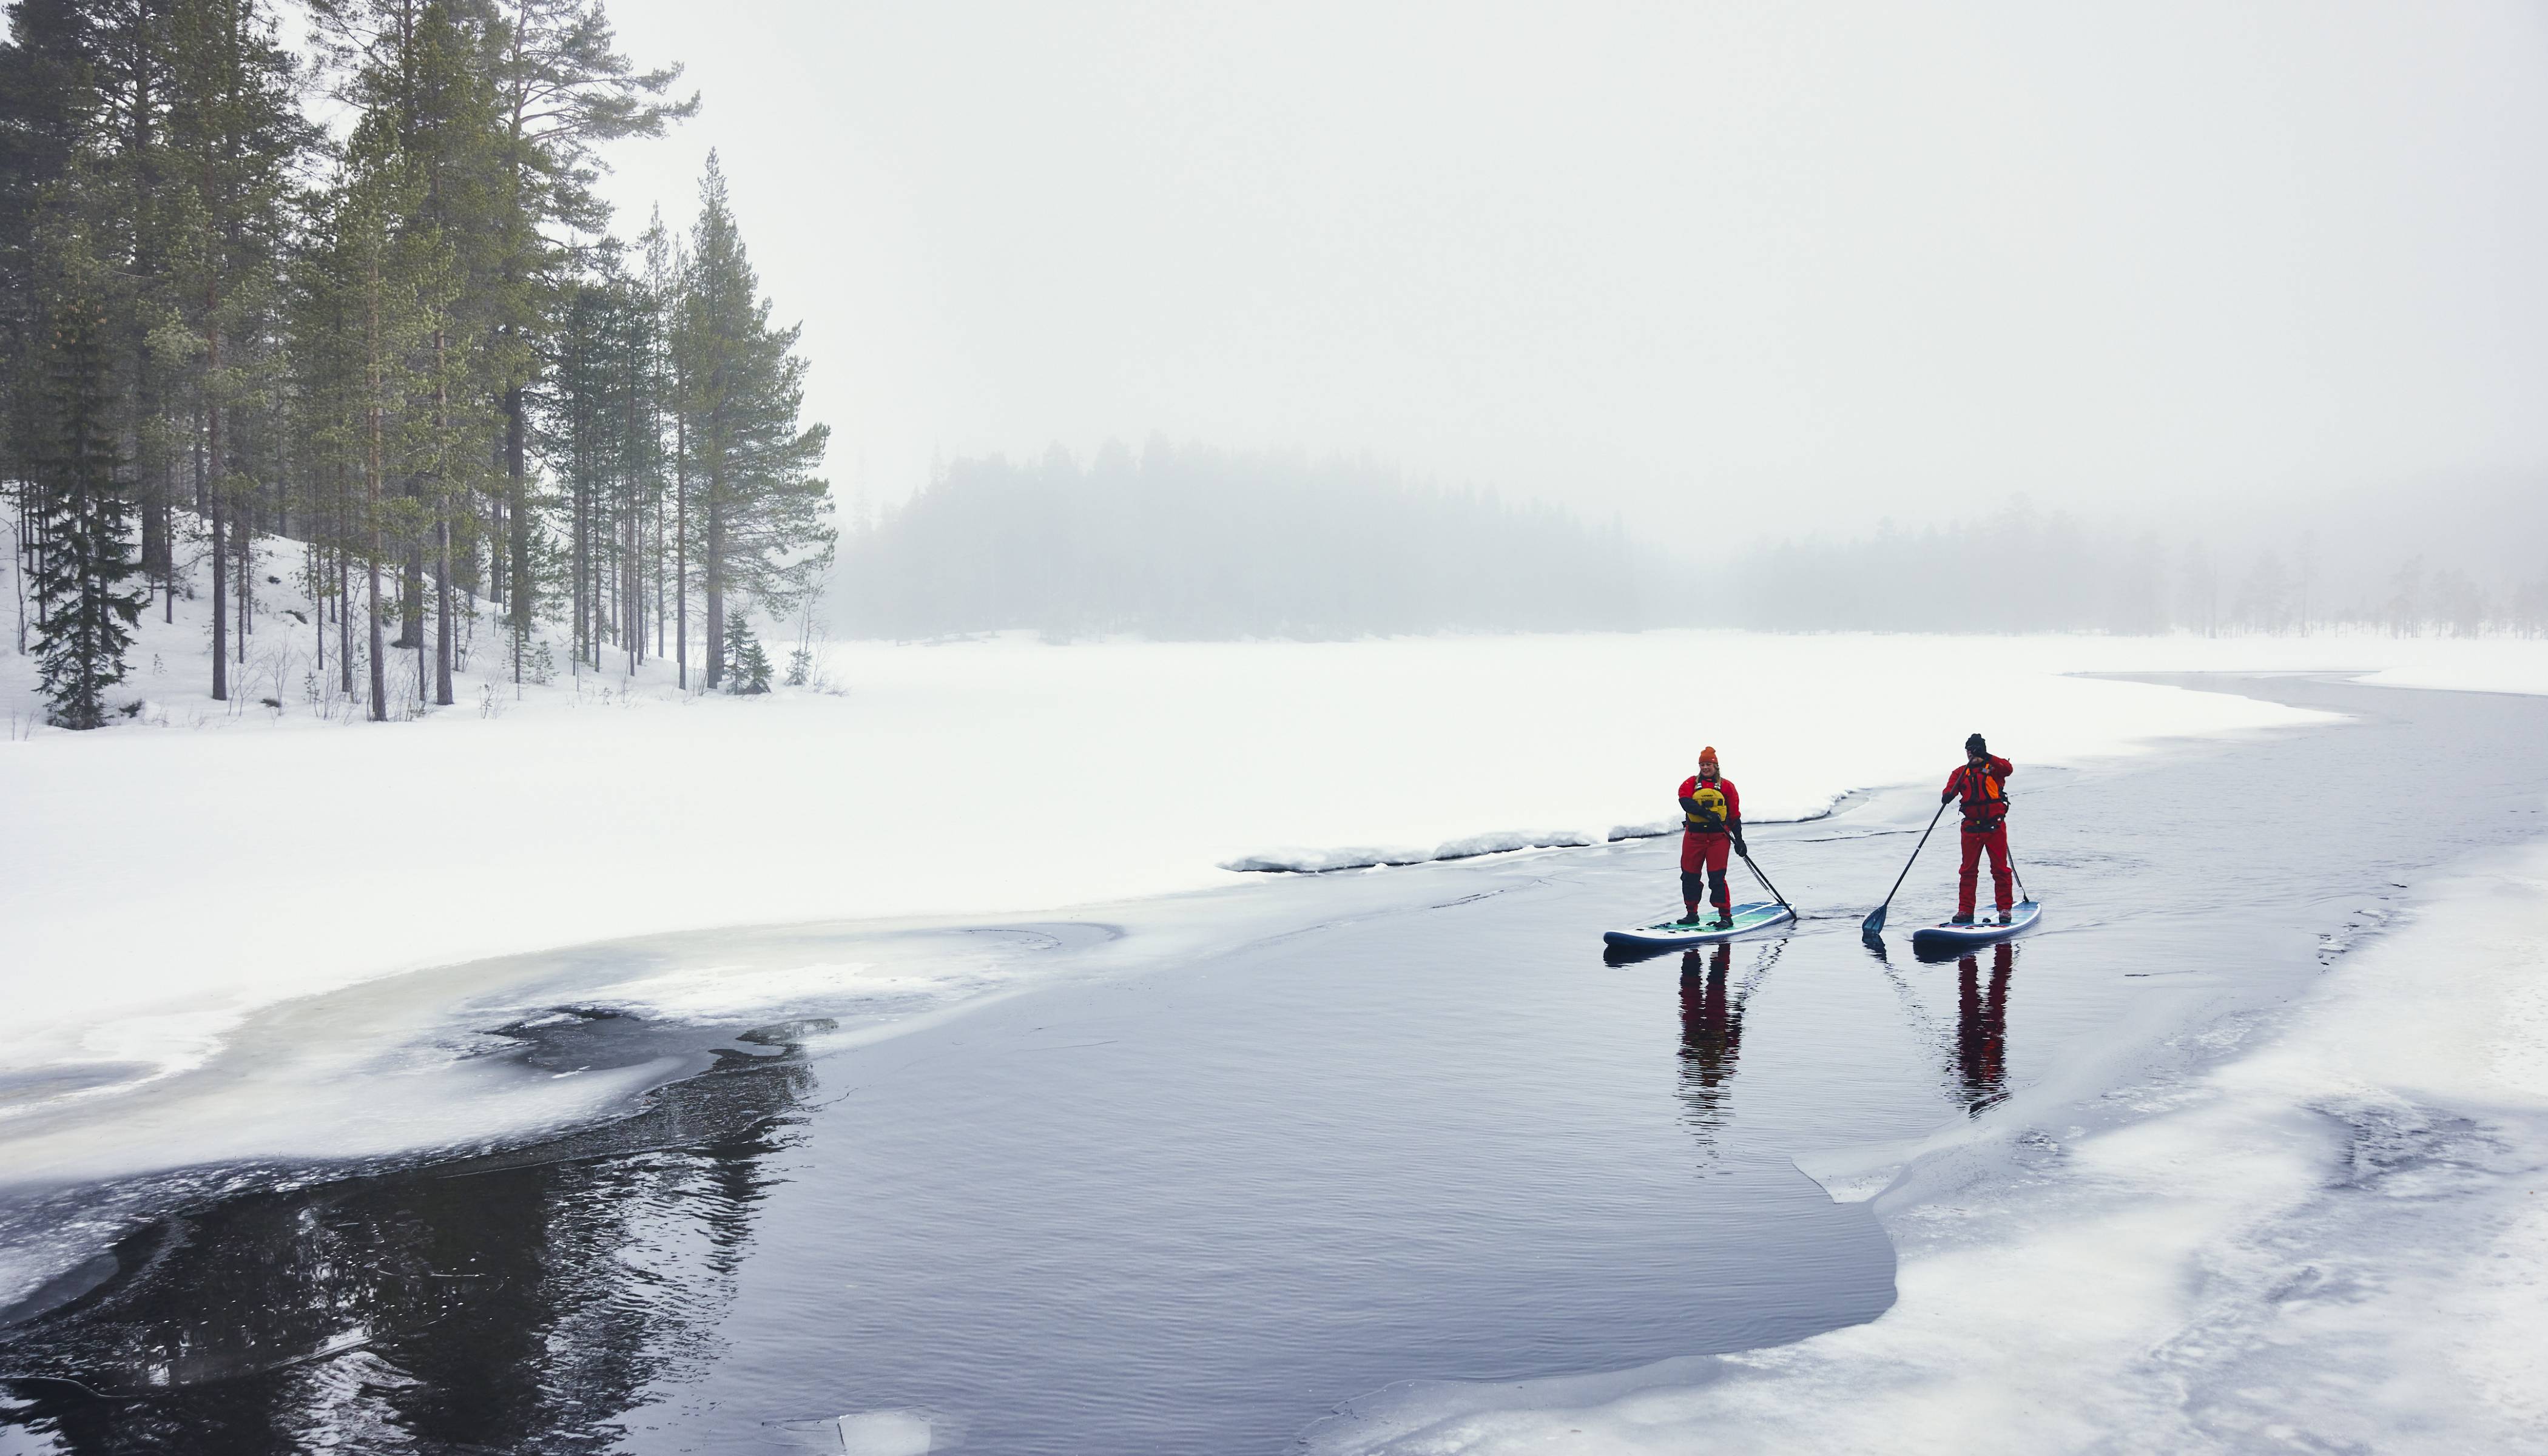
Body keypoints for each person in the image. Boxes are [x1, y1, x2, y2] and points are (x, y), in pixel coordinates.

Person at [1942, 732, 2015, 924]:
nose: (1971, 754)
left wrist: (1987, 756)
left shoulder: (1995, 768)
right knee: (1967, 871)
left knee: (2000, 870)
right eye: (1968, 750)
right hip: (1971, 829)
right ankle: (1965, 911)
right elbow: (1949, 790)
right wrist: (1947, 795)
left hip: (1995, 827)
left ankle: (2005, 910)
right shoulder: (1960, 773)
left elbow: (2008, 769)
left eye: (1974, 750)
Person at [1677, 746, 1746, 928]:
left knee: (1716, 877)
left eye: (1708, 764)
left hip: (1718, 839)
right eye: (1702, 764)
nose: (1705, 768)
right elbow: (1685, 801)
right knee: (1689, 876)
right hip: (1694, 838)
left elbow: (1734, 815)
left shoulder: (1727, 786)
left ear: (1716, 765)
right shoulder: (1690, 784)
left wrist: (1739, 840)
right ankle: (1692, 913)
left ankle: (1725, 916)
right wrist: (1706, 813)